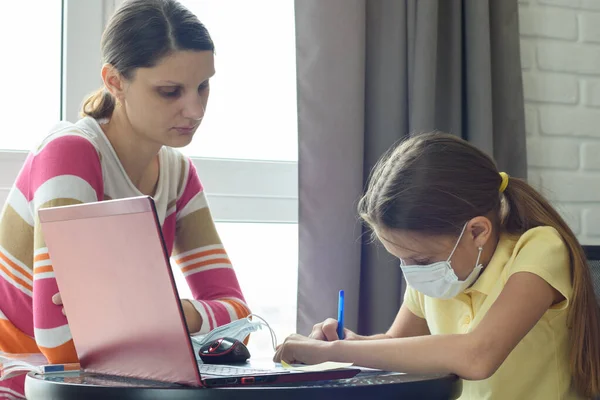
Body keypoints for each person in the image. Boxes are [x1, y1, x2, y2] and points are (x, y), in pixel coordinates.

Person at [0, 0, 250, 397]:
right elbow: (59, 339)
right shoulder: (69, 153)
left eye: (203, 86)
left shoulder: (179, 174)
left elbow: (239, 320)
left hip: (110, 381)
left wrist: (163, 313)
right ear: (114, 81)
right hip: (22, 376)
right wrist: (171, 319)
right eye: (170, 91)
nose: (196, 109)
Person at [275, 132, 600, 399]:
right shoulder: (439, 274)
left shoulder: (540, 247)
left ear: (476, 231)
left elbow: (478, 355)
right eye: (401, 259)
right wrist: (345, 342)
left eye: (420, 260)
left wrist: (335, 354)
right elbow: (398, 346)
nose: (412, 272)